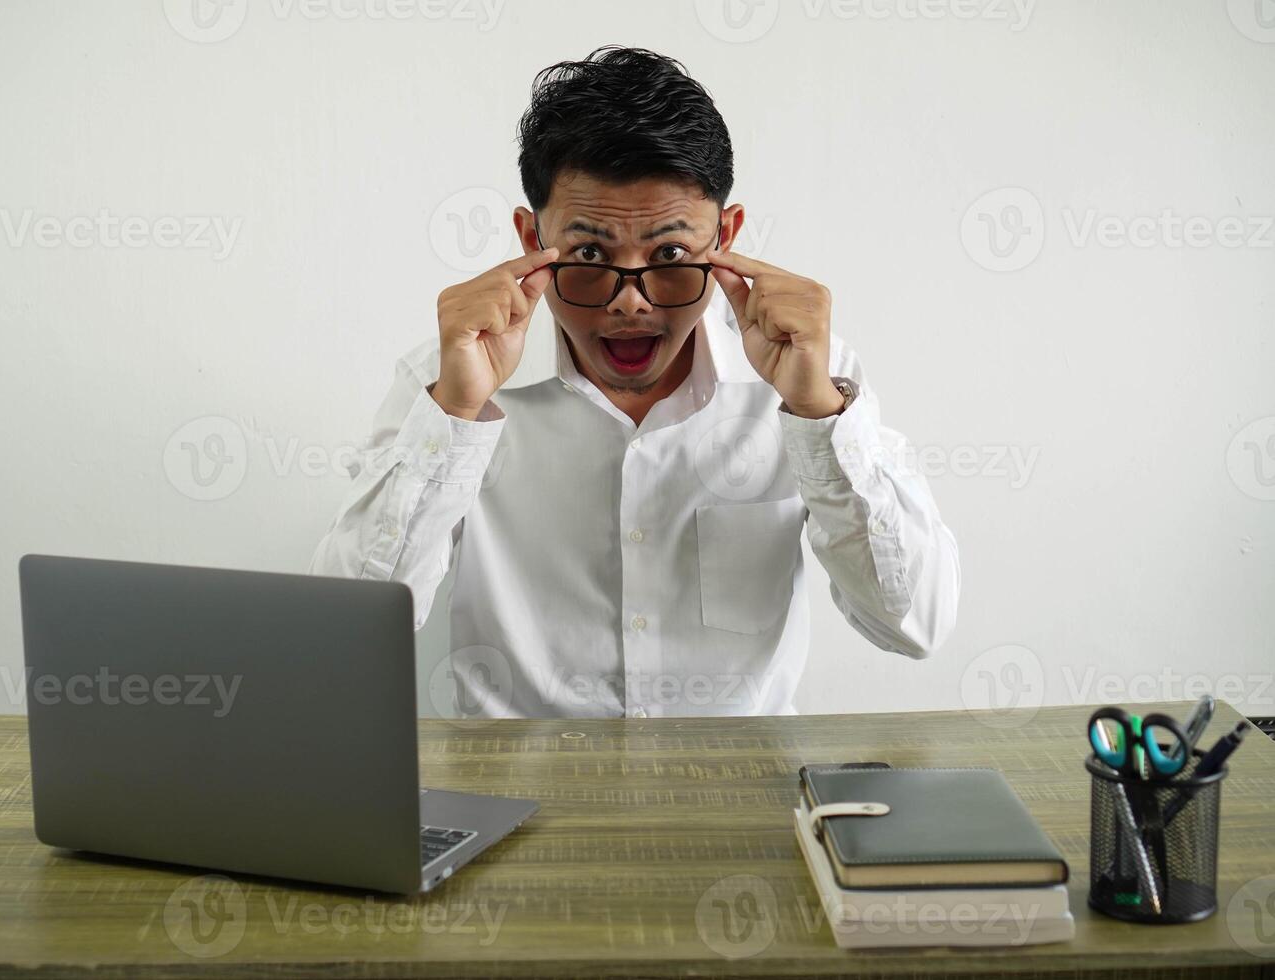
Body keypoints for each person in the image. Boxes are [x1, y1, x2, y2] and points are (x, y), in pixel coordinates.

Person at [312, 46, 960, 719]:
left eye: (671, 255)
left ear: (725, 236)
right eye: (589, 253)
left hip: (738, 799)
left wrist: (818, 415)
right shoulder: (450, 377)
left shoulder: (812, 376)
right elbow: (342, 638)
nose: (631, 301)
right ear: (531, 237)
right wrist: (453, 413)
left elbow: (913, 625)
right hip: (519, 804)